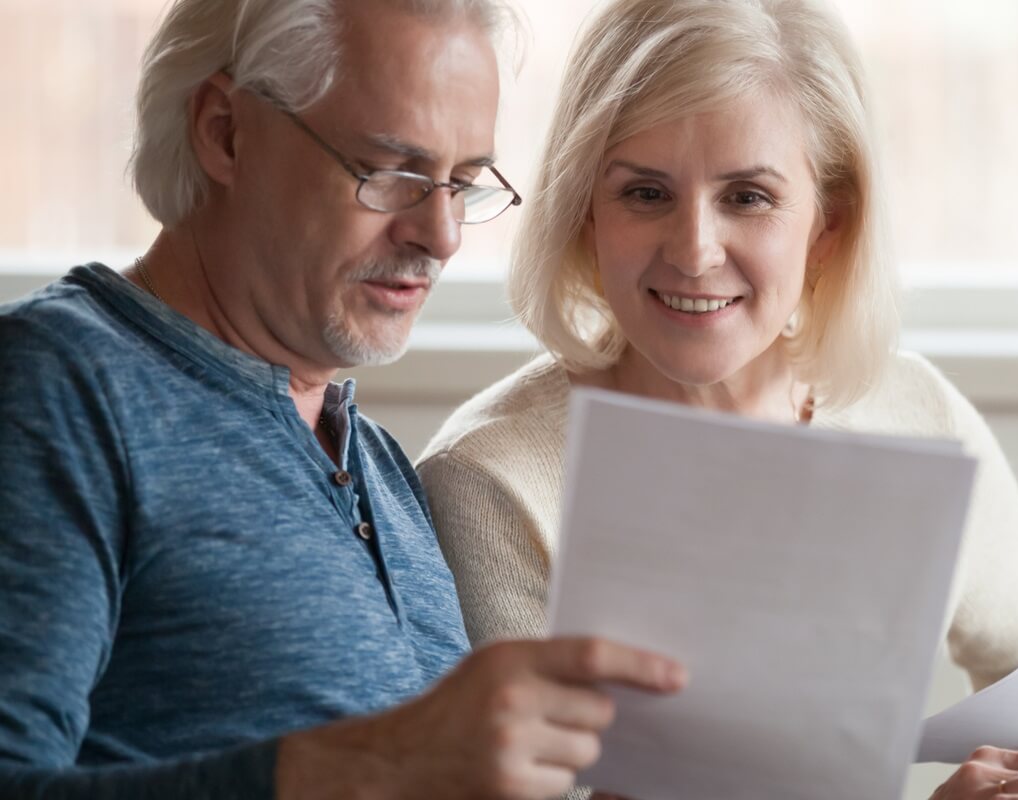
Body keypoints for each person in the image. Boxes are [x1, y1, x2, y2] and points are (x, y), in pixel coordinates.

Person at [417, 0, 1018, 797]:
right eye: (645, 194)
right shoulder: (492, 480)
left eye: (748, 197)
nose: (694, 250)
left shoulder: (911, 411)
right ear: (584, 212)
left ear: (829, 225)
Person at [0, 1, 685, 798]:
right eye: (392, 175)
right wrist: (367, 768)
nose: (443, 235)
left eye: (462, 184)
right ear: (224, 131)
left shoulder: (383, 468)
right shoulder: (55, 389)